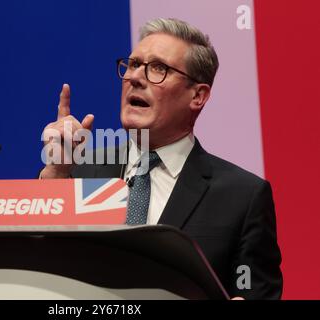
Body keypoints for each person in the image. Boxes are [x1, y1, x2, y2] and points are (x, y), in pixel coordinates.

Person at [39, 18, 282, 299]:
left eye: (158, 68)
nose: (135, 78)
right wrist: (56, 172)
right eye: (132, 65)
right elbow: (33, 261)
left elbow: (253, 291)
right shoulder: (77, 172)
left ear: (198, 96)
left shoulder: (242, 197)